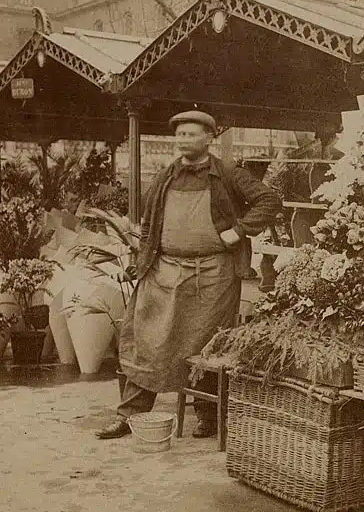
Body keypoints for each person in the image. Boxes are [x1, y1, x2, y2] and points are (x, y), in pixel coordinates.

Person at [97, 111, 281, 439]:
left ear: (209, 138)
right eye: (180, 135)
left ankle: (208, 416)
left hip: (214, 276)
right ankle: (130, 415)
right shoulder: (166, 175)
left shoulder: (227, 174)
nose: (184, 140)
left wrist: (239, 231)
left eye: (191, 135)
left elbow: (269, 200)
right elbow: (150, 221)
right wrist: (140, 261)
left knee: (207, 346)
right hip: (164, 271)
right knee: (146, 341)